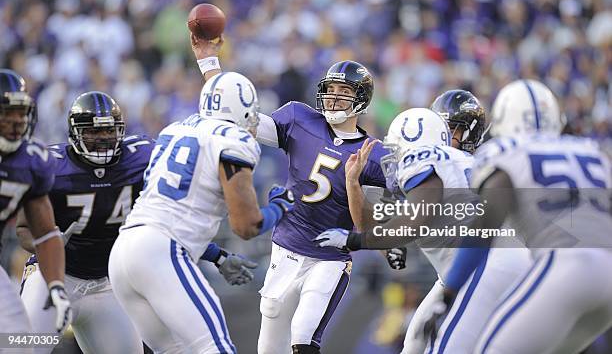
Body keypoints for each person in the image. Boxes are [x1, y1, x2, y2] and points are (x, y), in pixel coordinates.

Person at [17, 91, 260, 353]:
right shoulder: (50, 166)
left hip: (106, 286)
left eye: (109, 131)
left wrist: (217, 255)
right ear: (75, 133)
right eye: (93, 132)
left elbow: (164, 224)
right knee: (22, 347)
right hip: (53, 278)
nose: (102, 139)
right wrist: (45, 242)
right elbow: (23, 228)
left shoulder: (140, 158)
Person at [191, 37, 387, 353]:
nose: (335, 98)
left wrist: (354, 185)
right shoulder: (299, 118)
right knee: (269, 346)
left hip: (329, 258)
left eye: (345, 92)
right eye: (332, 89)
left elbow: (369, 227)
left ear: (361, 100)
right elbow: (237, 118)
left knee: (303, 337)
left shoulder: (372, 154)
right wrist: (209, 64)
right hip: (285, 249)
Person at [316, 92, 530, 354]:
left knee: (444, 348)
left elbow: (416, 218)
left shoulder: (424, 159)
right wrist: (353, 185)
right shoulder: (461, 164)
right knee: (415, 341)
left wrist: (355, 241)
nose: (393, 157)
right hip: (476, 264)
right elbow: (377, 231)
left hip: (483, 264)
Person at [108, 71, 295, 353]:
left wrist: (217, 256)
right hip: (161, 253)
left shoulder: (175, 129)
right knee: (216, 348)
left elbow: (167, 215)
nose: (255, 118)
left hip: (123, 252)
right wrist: (281, 206)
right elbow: (247, 226)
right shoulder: (233, 139)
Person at [430, 80, 612, 353]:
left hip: (566, 263)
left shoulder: (506, 151)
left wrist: (450, 290)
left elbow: (485, 225)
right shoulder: (594, 151)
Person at [0, 69, 72, 337]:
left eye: (21, 112)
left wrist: (55, 285)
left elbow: (44, 233)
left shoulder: (30, 161)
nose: (16, 120)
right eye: (7, 112)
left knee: (19, 339)